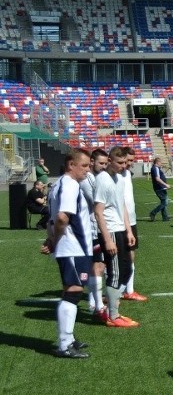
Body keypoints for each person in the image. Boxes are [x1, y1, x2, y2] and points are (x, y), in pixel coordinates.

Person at [40, 149, 93, 358]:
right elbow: (62, 218)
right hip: (73, 247)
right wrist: (54, 239)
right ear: (71, 164)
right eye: (84, 166)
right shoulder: (70, 185)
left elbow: (52, 219)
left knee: (70, 291)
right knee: (73, 291)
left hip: (71, 246)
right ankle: (64, 344)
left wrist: (51, 238)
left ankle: (69, 339)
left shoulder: (58, 185)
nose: (87, 171)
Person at [93, 146, 138, 327]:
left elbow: (123, 207)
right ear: (110, 161)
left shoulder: (119, 178)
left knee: (126, 270)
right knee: (115, 274)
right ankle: (113, 315)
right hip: (110, 231)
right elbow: (98, 212)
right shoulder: (103, 180)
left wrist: (128, 231)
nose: (123, 166)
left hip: (121, 229)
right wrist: (107, 239)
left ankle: (113, 308)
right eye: (119, 162)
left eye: (124, 162)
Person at [81, 148, 108, 321]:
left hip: (96, 227)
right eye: (101, 163)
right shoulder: (86, 180)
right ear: (92, 162)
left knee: (100, 265)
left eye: (106, 163)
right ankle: (95, 304)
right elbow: (96, 202)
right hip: (90, 228)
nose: (104, 167)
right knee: (96, 266)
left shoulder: (93, 178)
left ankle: (95, 301)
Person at [121, 147, 147, 302]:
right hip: (120, 222)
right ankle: (113, 290)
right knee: (113, 257)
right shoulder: (114, 176)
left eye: (131, 160)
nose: (129, 164)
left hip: (131, 220)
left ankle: (129, 290)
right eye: (127, 160)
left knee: (131, 254)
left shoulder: (127, 174)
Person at [149, 157, 171, 221]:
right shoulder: (155, 168)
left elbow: (160, 175)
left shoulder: (156, 168)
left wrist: (166, 169)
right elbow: (157, 178)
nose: (161, 164)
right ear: (157, 162)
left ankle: (165, 217)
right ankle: (153, 213)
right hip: (159, 187)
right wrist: (166, 185)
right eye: (160, 162)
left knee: (163, 202)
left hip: (160, 187)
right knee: (165, 202)